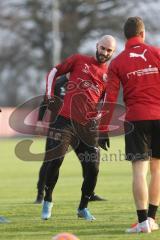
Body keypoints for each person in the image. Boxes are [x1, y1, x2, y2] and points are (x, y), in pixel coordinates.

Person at [41, 35, 116, 221]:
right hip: (64, 122)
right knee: (55, 161)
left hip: (87, 128)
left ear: (113, 53)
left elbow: (106, 105)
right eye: (103, 48)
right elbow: (53, 72)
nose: (105, 53)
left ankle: (83, 208)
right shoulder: (78, 60)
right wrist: (49, 95)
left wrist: (102, 128)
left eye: (109, 50)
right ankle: (48, 199)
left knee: (94, 168)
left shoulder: (109, 77)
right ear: (97, 46)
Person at [101, 17, 160, 233]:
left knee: (139, 172)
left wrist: (102, 129)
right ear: (142, 34)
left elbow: (110, 98)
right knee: (157, 170)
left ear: (125, 36)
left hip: (136, 119)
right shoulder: (156, 53)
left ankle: (143, 222)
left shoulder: (117, 63)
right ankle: (152, 219)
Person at [34, 74, 106, 204]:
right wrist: (40, 121)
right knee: (49, 161)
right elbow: (45, 101)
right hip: (58, 128)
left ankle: (90, 193)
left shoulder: (84, 82)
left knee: (87, 160)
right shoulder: (58, 83)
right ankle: (40, 194)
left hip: (81, 128)